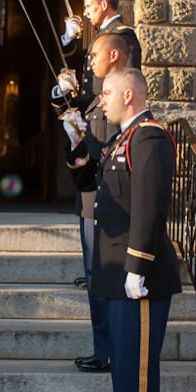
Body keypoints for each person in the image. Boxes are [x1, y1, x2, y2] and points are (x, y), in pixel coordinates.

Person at [64, 69, 180, 392]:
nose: (102, 101)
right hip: (118, 275)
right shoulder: (122, 139)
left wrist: (137, 267)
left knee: (137, 368)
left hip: (139, 278)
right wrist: (77, 142)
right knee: (125, 368)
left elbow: (149, 206)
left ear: (129, 95)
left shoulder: (149, 137)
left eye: (108, 93)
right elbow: (88, 182)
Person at [54, 33, 131, 373]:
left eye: (95, 55)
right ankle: (103, 349)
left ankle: (114, 348)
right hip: (90, 199)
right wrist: (76, 141)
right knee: (94, 279)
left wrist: (86, 146)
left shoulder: (122, 98)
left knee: (108, 280)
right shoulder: (95, 98)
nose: (90, 61)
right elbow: (63, 106)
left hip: (113, 202)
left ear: (113, 56)